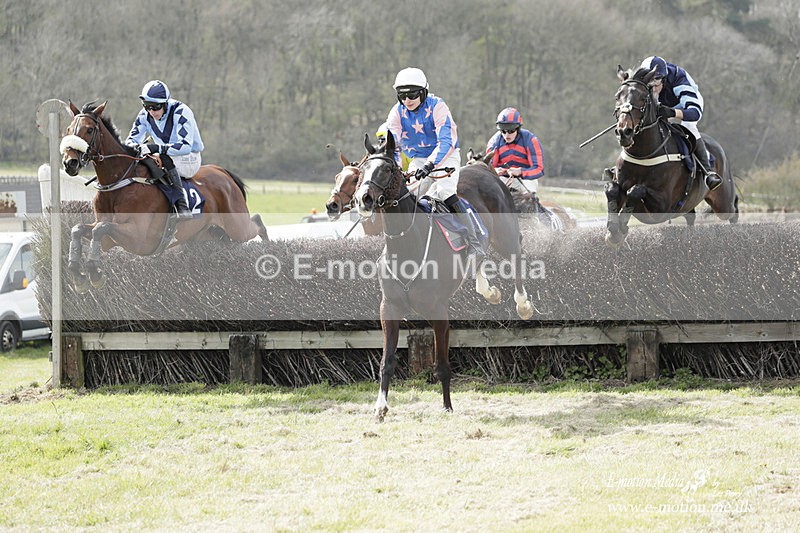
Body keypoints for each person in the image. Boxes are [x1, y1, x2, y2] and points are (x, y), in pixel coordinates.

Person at [384, 67, 484, 258]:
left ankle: (474, 242)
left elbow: (445, 142)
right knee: (406, 196)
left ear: (423, 92)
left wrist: (430, 165)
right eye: (402, 96)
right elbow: (393, 144)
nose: (407, 100)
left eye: (412, 94)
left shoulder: (438, 106)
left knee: (445, 192)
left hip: (446, 155)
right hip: (419, 159)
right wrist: (396, 168)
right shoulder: (396, 112)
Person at [640, 55, 722, 191]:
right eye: (649, 85)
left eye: (655, 85)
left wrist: (672, 113)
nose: (653, 89)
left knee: (688, 126)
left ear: (664, 80)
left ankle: (708, 171)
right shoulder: (643, 78)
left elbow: (695, 113)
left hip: (685, 105)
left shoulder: (678, 79)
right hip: (662, 104)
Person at [125, 80, 204, 218]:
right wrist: (136, 148)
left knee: (163, 158)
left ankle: (182, 206)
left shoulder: (181, 111)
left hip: (189, 157)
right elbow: (130, 141)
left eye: (155, 107)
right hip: (167, 154)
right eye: (147, 106)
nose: (151, 111)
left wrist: (155, 147)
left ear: (165, 103)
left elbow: (185, 146)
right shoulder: (144, 115)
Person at [485, 107, 545, 194]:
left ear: (518, 128)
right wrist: (495, 171)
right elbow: (488, 168)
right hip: (503, 179)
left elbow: (539, 169)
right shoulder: (494, 142)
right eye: (503, 131)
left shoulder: (530, 140)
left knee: (529, 192)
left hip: (526, 179)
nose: (506, 135)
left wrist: (520, 171)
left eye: (511, 131)